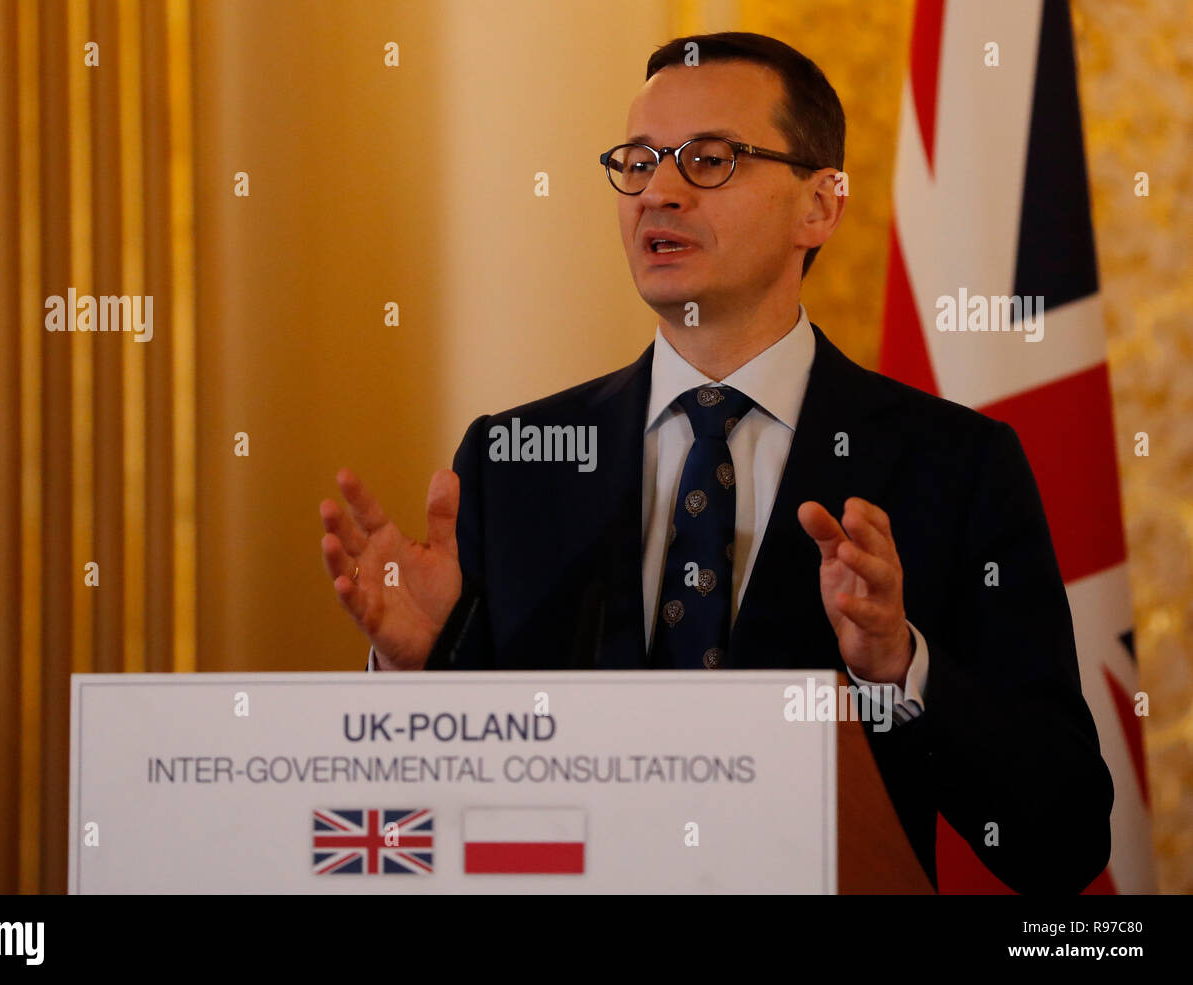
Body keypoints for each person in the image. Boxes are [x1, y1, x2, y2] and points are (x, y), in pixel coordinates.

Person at [318, 32, 1112, 893]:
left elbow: (1063, 839)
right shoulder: (514, 462)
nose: (657, 191)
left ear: (820, 205)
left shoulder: (953, 465)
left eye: (709, 160)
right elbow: (421, 834)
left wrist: (899, 664)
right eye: (637, 161)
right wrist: (420, 671)